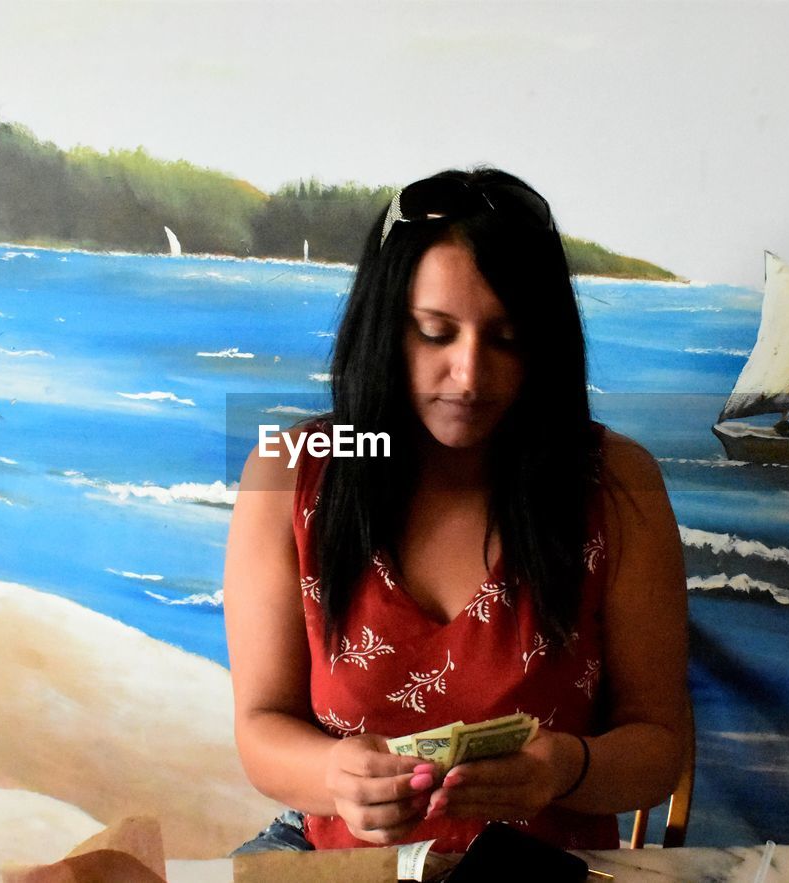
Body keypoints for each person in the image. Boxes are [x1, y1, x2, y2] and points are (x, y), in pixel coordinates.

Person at [223, 168, 689, 855]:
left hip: (544, 861)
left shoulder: (616, 483)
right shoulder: (294, 470)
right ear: (386, 329)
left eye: (506, 339)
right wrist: (333, 776)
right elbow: (262, 726)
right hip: (336, 855)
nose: (470, 374)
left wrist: (566, 769)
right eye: (436, 333)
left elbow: (656, 745)